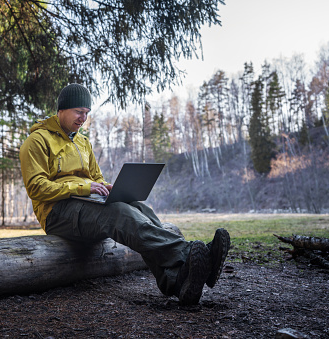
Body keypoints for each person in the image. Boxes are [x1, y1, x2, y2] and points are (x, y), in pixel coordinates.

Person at [19, 83, 230, 305]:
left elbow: (96, 177)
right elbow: (36, 187)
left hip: (86, 205)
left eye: (87, 113)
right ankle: (191, 255)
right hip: (57, 213)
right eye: (78, 112)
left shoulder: (82, 142)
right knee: (119, 213)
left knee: (140, 208)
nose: (83, 118)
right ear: (62, 109)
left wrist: (107, 188)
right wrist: (83, 188)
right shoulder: (37, 141)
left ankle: (177, 281)